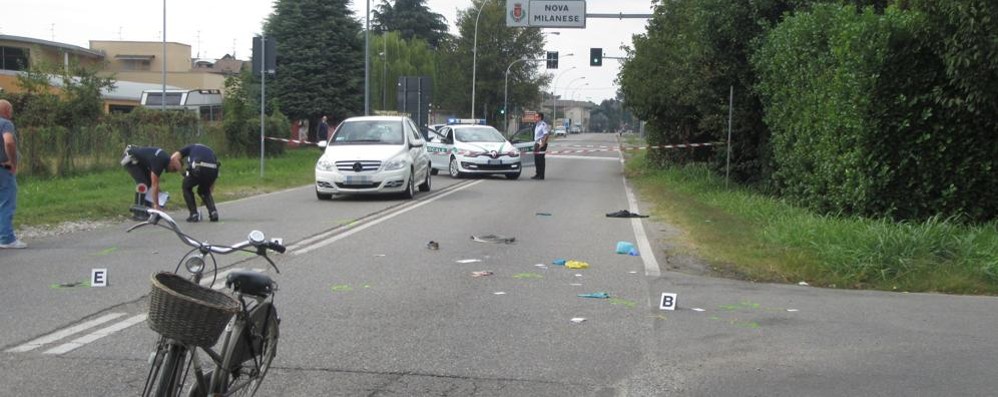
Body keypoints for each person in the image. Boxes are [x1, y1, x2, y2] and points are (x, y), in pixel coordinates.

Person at [121, 145, 180, 212]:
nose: (171, 172)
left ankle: (148, 209)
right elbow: (155, 184)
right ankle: (138, 212)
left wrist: (159, 192)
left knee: (148, 182)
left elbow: (153, 183)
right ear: (171, 164)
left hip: (138, 161)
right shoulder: (160, 162)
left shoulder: (165, 159)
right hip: (130, 159)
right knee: (143, 183)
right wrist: (156, 204)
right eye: (173, 170)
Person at [171, 144, 220, 222]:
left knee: (186, 187)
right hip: (213, 170)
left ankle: (194, 214)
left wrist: (183, 173)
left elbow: (174, 158)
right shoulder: (209, 150)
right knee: (204, 190)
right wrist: (208, 195)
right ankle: (213, 212)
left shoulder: (188, 148)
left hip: (199, 167)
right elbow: (214, 178)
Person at [0, 99, 26, 249]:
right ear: (6, 111)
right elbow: (9, 142)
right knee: (6, 203)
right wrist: (12, 162)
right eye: (10, 110)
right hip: (3, 169)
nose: (11, 113)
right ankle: (6, 238)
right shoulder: (5, 123)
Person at [532, 112, 551, 180]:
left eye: (536, 117)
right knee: (536, 159)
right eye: (535, 117)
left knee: (541, 159)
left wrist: (542, 144)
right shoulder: (537, 125)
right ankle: (537, 174)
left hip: (541, 143)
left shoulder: (543, 125)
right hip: (537, 143)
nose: (535, 118)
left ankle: (541, 175)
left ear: (540, 118)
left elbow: (546, 135)